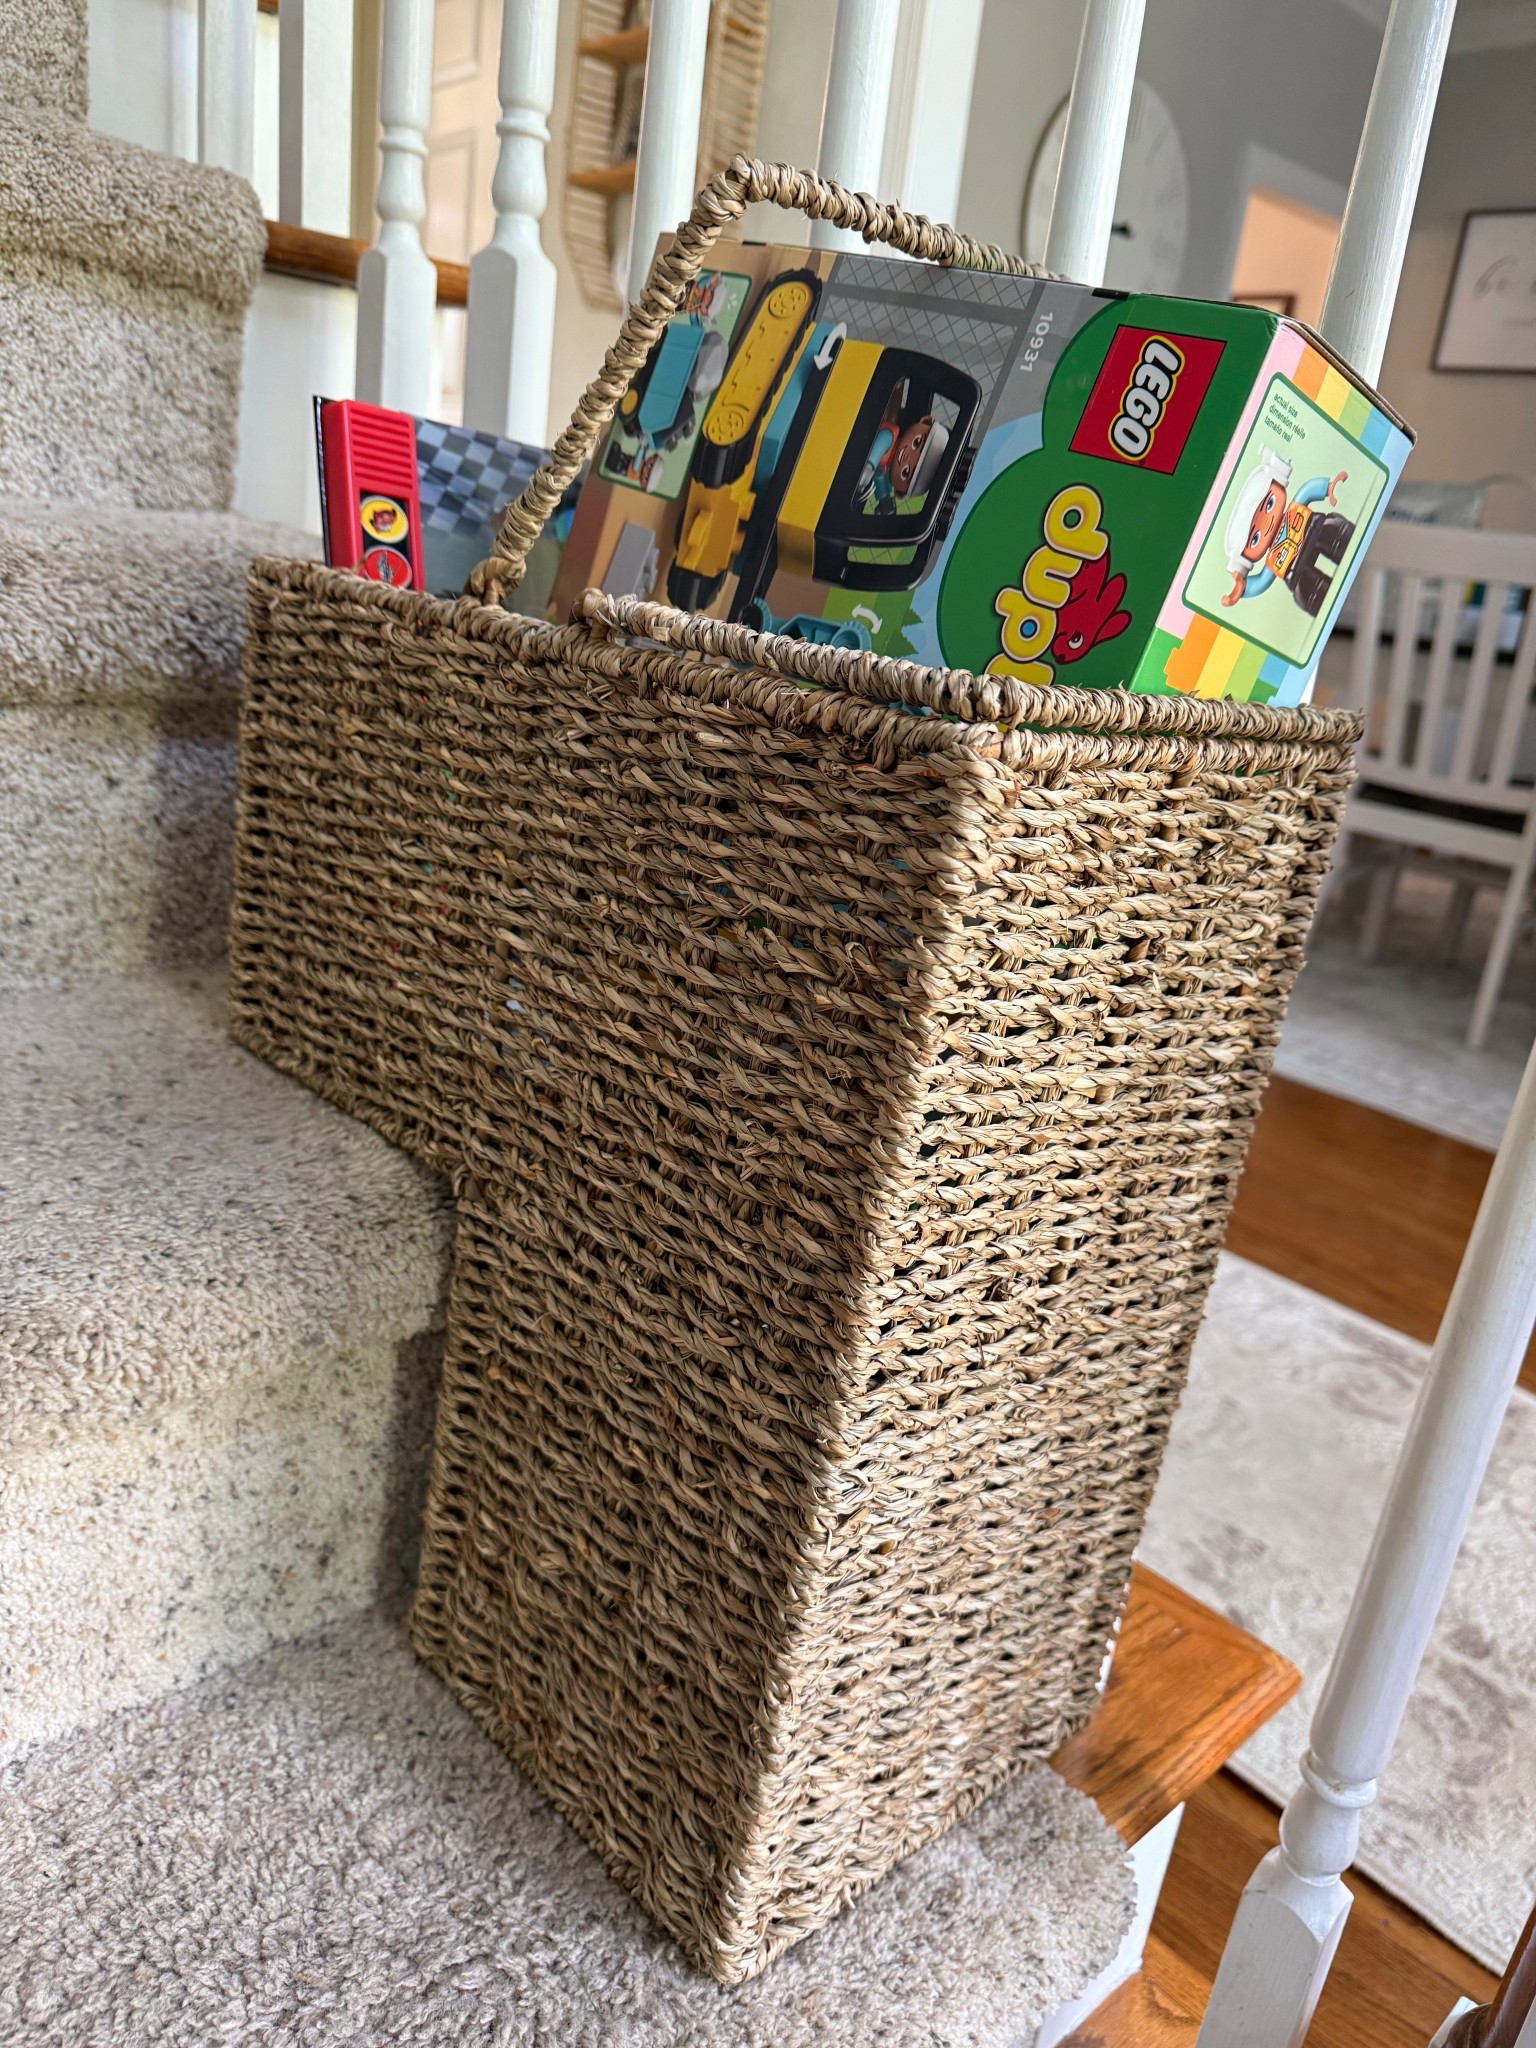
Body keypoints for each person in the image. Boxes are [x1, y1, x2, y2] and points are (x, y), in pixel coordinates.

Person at [1221, 448, 1354, 615]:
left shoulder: (1294, 509)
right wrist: (1240, 590)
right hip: (1297, 572)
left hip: (1317, 529)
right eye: (1255, 538)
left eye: (1269, 504)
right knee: (1308, 592)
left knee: (1334, 530)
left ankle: (1351, 544)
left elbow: (1307, 490)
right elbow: (1261, 582)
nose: (1267, 523)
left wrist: (1329, 487)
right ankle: (1332, 606)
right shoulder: (1272, 562)